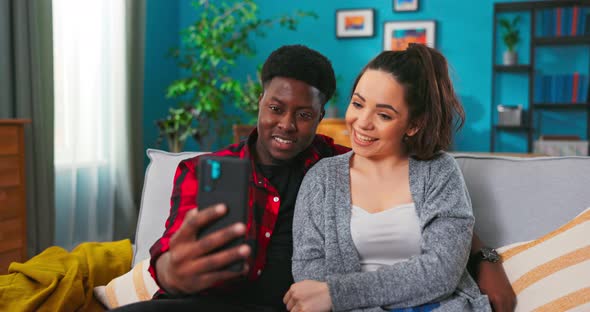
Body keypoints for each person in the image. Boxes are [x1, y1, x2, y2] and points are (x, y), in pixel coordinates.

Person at [114, 44, 514, 311]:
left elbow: (437, 222)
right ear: (260, 104)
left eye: (303, 114)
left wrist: (483, 257)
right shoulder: (206, 171)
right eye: (275, 108)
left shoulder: (342, 164)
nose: (285, 124)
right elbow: (168, 253)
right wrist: (167, 271)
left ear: (320, 118)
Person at [285, 44, 492, 312]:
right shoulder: (321, 179)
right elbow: (309, 277)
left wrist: (337, 293)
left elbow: (442, 271)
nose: (362, 122)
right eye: (358, 104)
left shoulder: (440, 171)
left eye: (383, 115)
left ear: (413, 124)